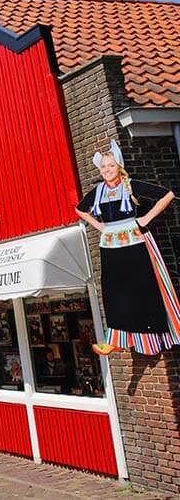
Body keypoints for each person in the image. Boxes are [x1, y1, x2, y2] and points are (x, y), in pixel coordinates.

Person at [76, 140, 180, 355]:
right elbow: (80, 210)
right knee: (114, 291)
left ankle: (151, 339)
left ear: (119, 166)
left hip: (135, 238)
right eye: (103, 166)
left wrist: (145, 219)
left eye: (111, 165)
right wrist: (100, 226)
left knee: (144, 286)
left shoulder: (130, 185)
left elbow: (167, 194)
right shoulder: (98, 192)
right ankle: (115, 338)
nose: (106, 170)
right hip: (110, 241)